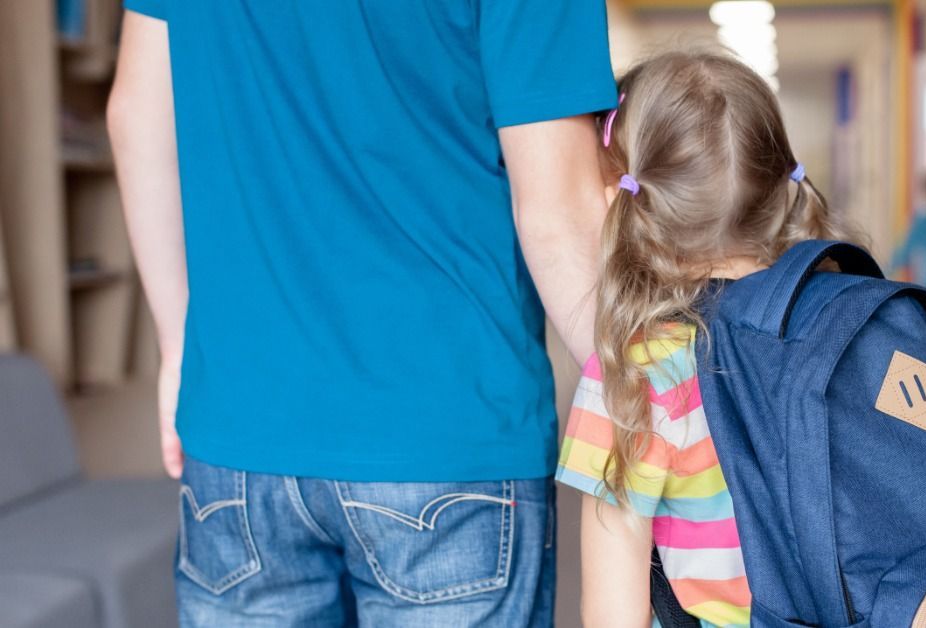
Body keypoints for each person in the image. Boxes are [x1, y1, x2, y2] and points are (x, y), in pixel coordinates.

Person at [108, 1, 614, 625]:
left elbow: (135, 116)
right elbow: (560, 211)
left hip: (241, 427)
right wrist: (650, 406)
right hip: (447, 425)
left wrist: (177, 347)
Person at [555, 51, 861, 627]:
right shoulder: (840, 331)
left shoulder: (635, 375)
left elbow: (614, 615)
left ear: (622, 203)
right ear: (779, 192)